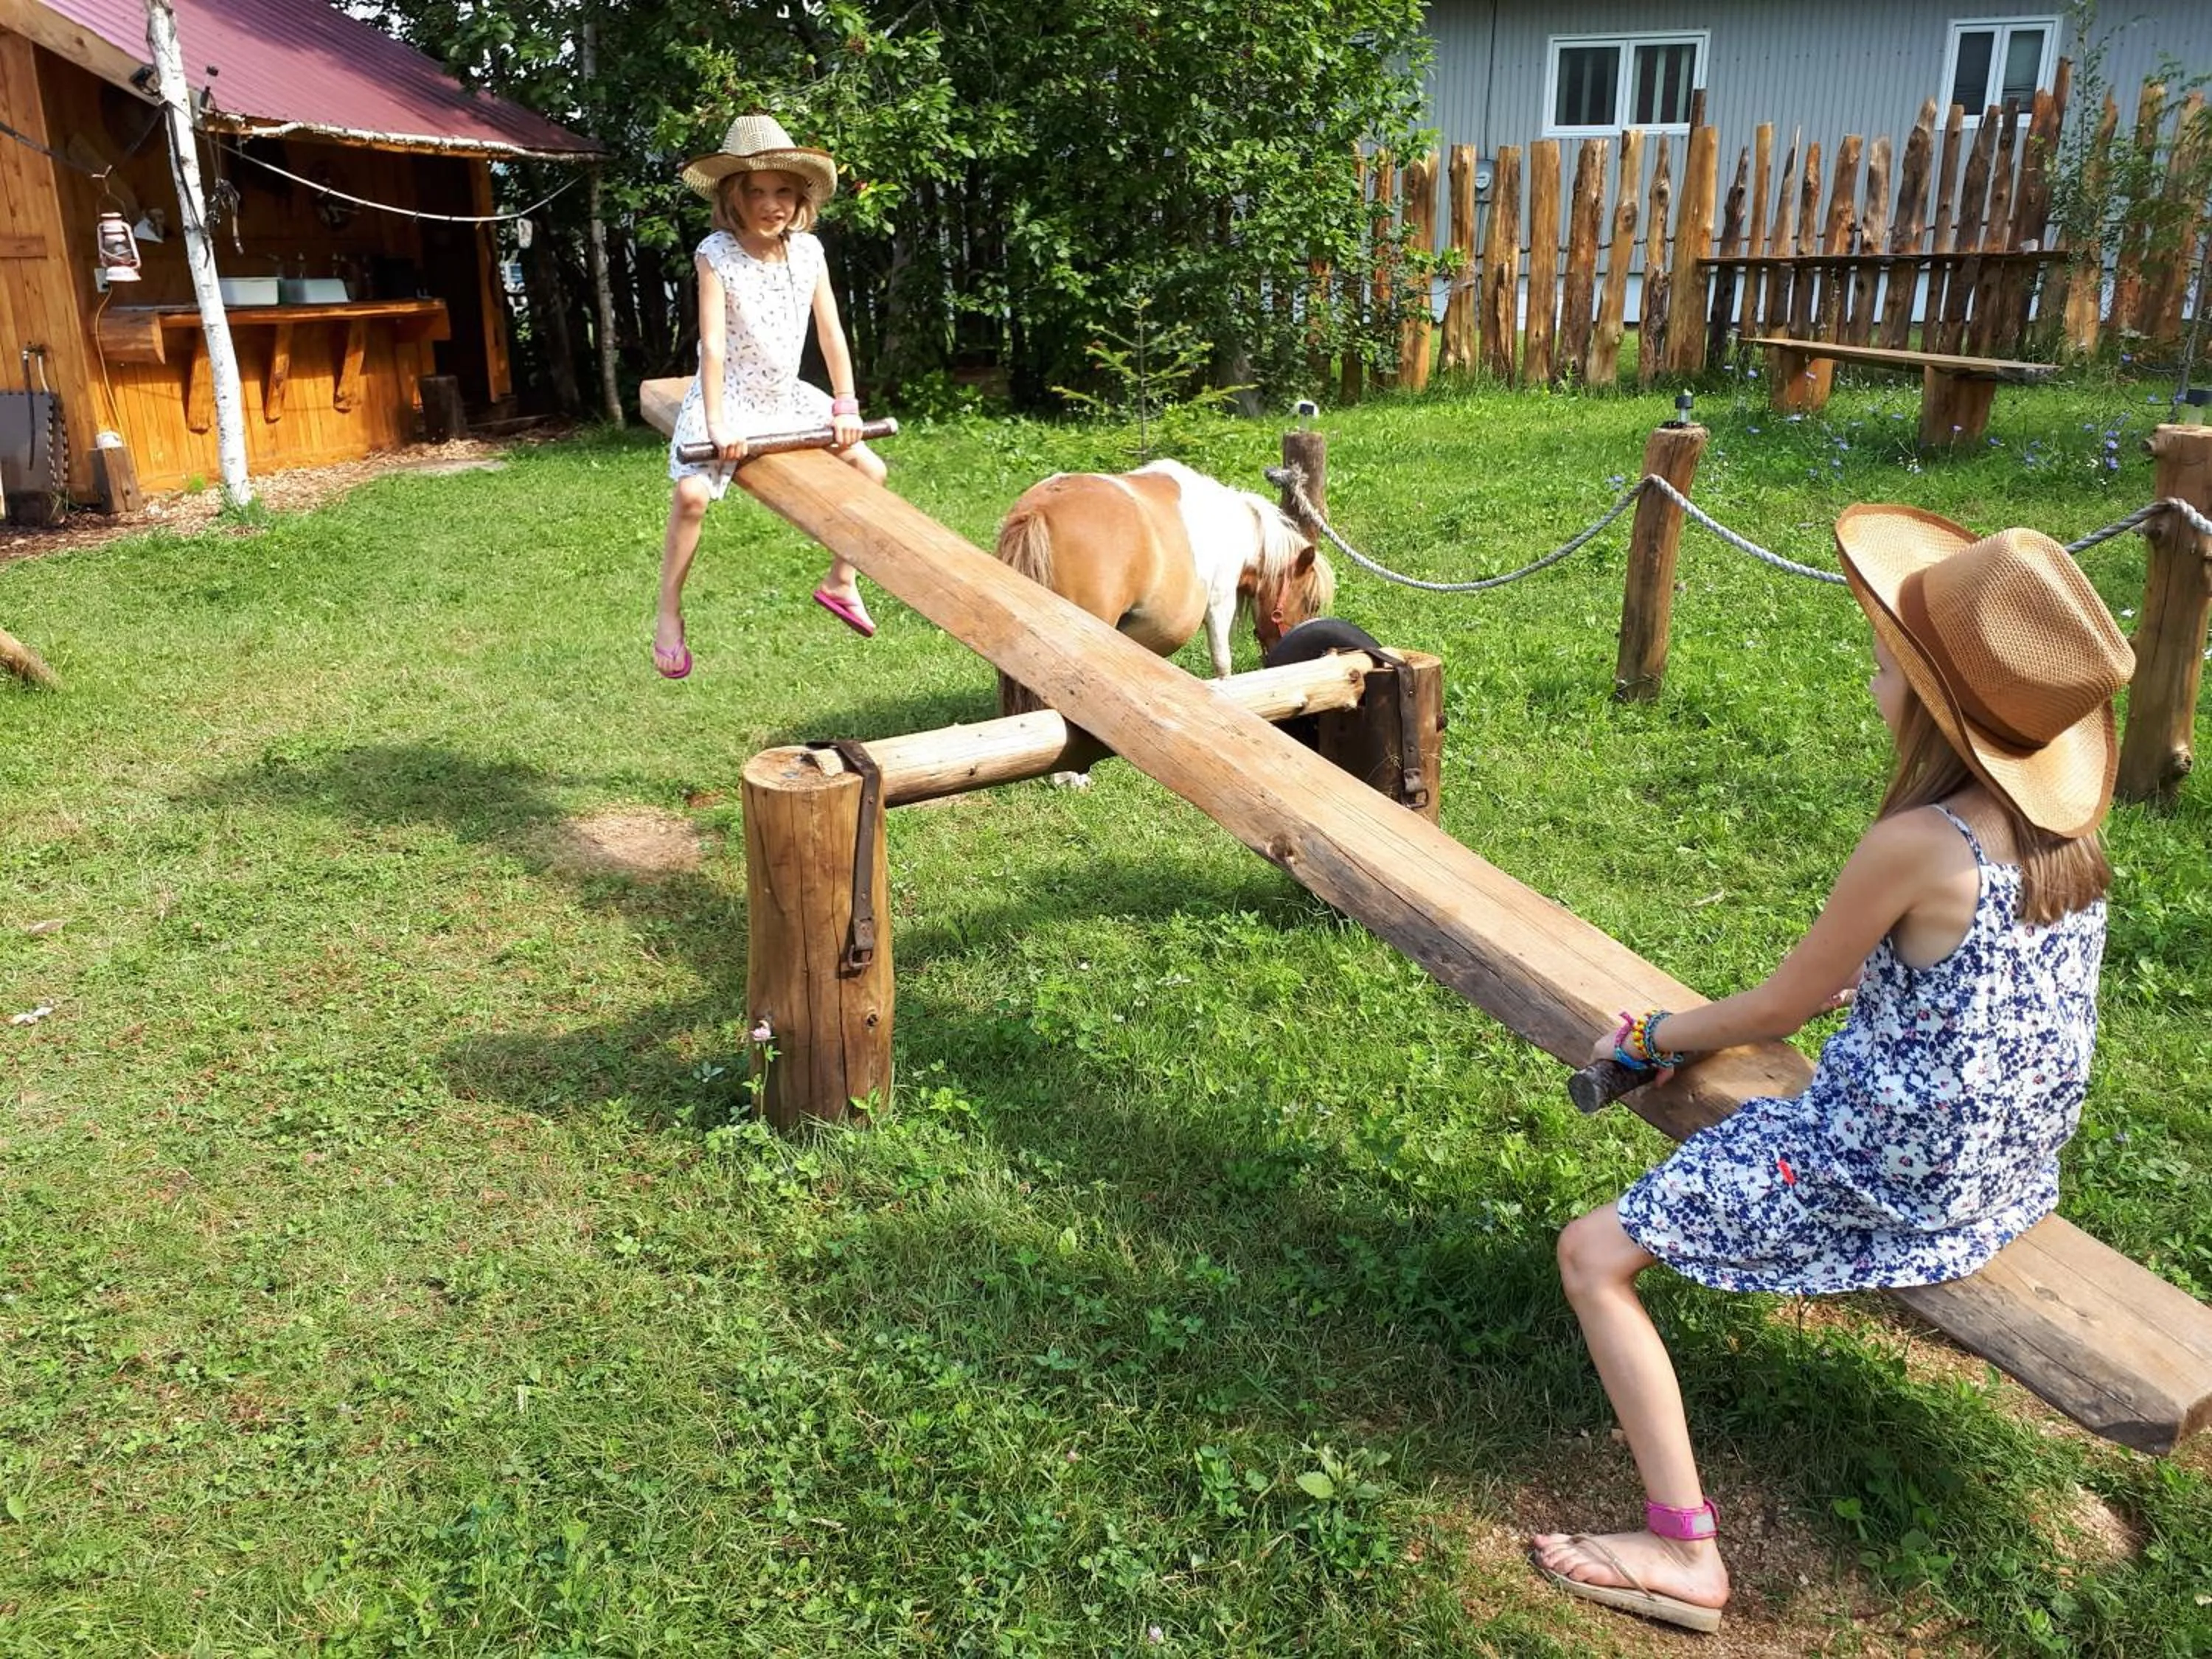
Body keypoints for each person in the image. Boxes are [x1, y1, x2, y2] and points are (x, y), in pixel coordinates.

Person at [1530, 504, 2135, 1635]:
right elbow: (1981, 984)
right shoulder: (2068, 839)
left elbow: (1779, 1005)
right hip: (2010, 1173)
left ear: (1933, 707)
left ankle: (1682, 1552)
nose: (1874, 668)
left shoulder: (1920, 841)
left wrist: (1658, 1037)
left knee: (1592, 1254)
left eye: (1888, 659)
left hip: (1899, 1173)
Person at [654, 114, 888, 679]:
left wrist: (846, 403)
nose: (771, 204)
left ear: (801, 197)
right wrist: (716, 424)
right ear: (734, 196)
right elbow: (712, 345)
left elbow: (831, 332)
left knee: (871, 468)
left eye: (783, 191)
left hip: (785, 395)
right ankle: (667, 612)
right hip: (729, 396)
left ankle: (841, 580)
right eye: (756, 192)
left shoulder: (808, 252)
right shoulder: (717, 252)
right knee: (691, 496)